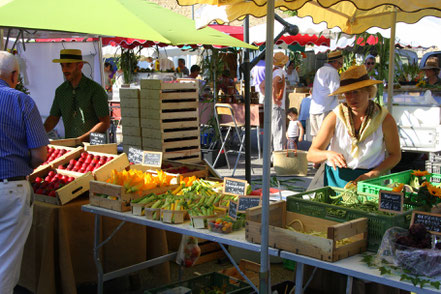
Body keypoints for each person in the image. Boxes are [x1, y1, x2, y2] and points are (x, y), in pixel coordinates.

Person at [0, 51, 49, 293]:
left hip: (11, 188)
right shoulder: (21, 101)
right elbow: (40, 155)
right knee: (5, 265)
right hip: (11, 189)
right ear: (13, 75)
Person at [307, 65, 401, 188]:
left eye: (356, 92)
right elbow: (311, 154)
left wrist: (373, 174)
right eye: (347, 93)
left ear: (368, 91)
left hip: (370, 180)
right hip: (337, 179)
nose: (352, 98)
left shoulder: (384, 119)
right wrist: (328, 154)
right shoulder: (335, 117)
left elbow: (395, 155)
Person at [44, 49, 110, 142]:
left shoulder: (95, 89)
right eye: (62, 65)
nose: (64, 70)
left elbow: (105, 123)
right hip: (71, 147)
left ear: (80, 66)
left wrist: (80, 140)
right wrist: (38, 134)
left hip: (94, 150)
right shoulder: (60, 91)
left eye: (68, 65)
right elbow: (53, 118)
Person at [310, 50, 343, 140]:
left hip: (314, 108)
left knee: (316, 139)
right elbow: (335, 91)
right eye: (340, 64)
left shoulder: (320, 70)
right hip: (325, 109)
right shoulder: (332, 72)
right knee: (325, 138)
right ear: (335, 62)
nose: (340, 67)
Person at [261, 52, 289, 151]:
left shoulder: (271, 71)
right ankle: (278, 159)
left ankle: (271, 156)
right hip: (277, 106)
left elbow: (262, 86)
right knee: (279, 133)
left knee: (272, 131)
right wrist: (275, 99)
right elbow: (273, 85)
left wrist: (269, 97)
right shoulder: (280, 72)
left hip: (270, 105)